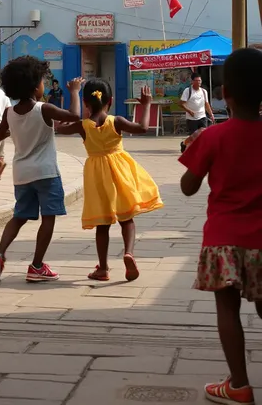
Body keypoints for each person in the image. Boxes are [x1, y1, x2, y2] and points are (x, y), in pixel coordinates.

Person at [179, 47, 262, 405]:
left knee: (227, 310)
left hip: (224, 239)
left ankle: (239, 385)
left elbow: (188, 187)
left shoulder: (213, 137)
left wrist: (196, 148)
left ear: (224, 93)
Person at [0, 56, 83, 284]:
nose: (44, 86)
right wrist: (75, 91)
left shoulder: (10, 112)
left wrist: (15, 131)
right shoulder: (44, 109)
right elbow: (75, 116)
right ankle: (37, 266)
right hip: (46, 173)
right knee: (48, 218)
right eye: (42, 82)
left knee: (18, 216)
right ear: (33, 86)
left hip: (22, 174)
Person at [56, 78, 163, 282]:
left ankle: (103, 268)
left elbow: (61, 126)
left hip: (97, 175)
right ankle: (129, 253)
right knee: (127, 218)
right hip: (120, 172)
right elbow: (142, 127)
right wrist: (146, 105)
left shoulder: (82, 126)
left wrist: (73, 94)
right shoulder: (117, 121)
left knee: (102, 224)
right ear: (111, 101)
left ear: (86, 103)